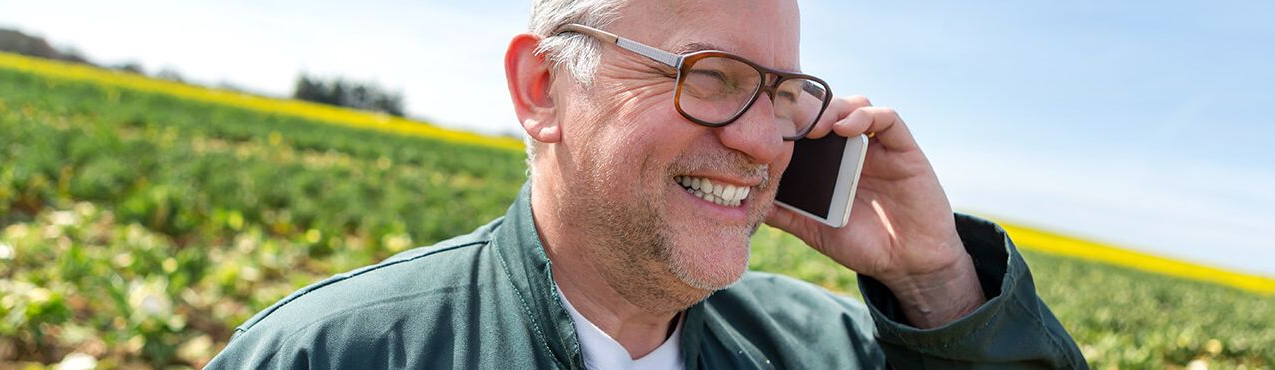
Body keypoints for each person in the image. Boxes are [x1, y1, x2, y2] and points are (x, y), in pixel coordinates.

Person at [206, 0, 1088, 368]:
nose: (759, 140)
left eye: (782, 93)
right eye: (708, 75)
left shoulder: (827, 349)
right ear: (544, 90)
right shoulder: (334, 355)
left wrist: (935, 282)